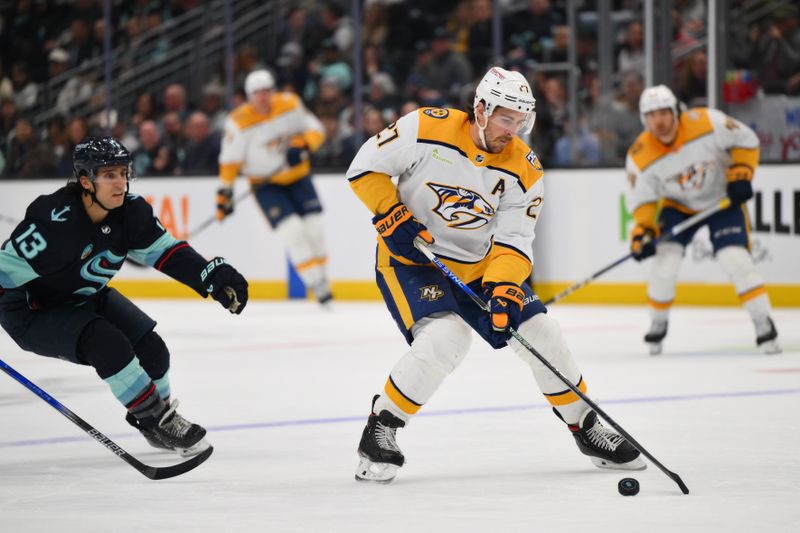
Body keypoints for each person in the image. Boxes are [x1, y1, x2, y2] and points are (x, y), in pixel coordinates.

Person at [345, 66, 645, 483]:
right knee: (447, 338)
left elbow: (516, 239)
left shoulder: (525, 168)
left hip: (481, 269)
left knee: (543, 332)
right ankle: (383, 426)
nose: (514, 129)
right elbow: (364, 168)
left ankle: (585, 426)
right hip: (413, 263)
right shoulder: (425, 127)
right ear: (481, 109)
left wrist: (504, 289)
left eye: (522, 121)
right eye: (507, 118)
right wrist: (391, 213)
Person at [0, 137, 249, 457]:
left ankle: (152, 423)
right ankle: (159, 420)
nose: (120, 182)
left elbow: (168, 252)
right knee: (105, 341)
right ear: (86, 181)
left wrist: (212, 277)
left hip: (84, 296)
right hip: (30, 310)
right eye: (109, 175)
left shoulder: (131, 213)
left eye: (123, 172)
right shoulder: (54, 221)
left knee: (154, 352)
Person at [625, 85, 780, 355]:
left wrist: (742, 173)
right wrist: (642, 233)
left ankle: (763, 323)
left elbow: (747, 141)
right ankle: (657, 324)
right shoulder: (640, 155)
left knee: (736, 260)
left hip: (721, 200)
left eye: (663, 112)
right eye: (651, 115)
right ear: (643, 119)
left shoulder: (707, 121)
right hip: (679, 207)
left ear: (675, 111)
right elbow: (644, 202)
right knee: (665, 263)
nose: (658, 121)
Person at [216, 69, 331, 304]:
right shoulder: (238, 121)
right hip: (265, 185)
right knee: (293, 233)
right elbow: (229, 160)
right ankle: (315, 284)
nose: (263, 97)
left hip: (298, 176)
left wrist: (302, 145)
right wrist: (225, 192)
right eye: (257, 93)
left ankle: (323, 278)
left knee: (315, 229)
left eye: (267, 91)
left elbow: (316, 129)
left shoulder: (290, 104)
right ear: (249, 95)